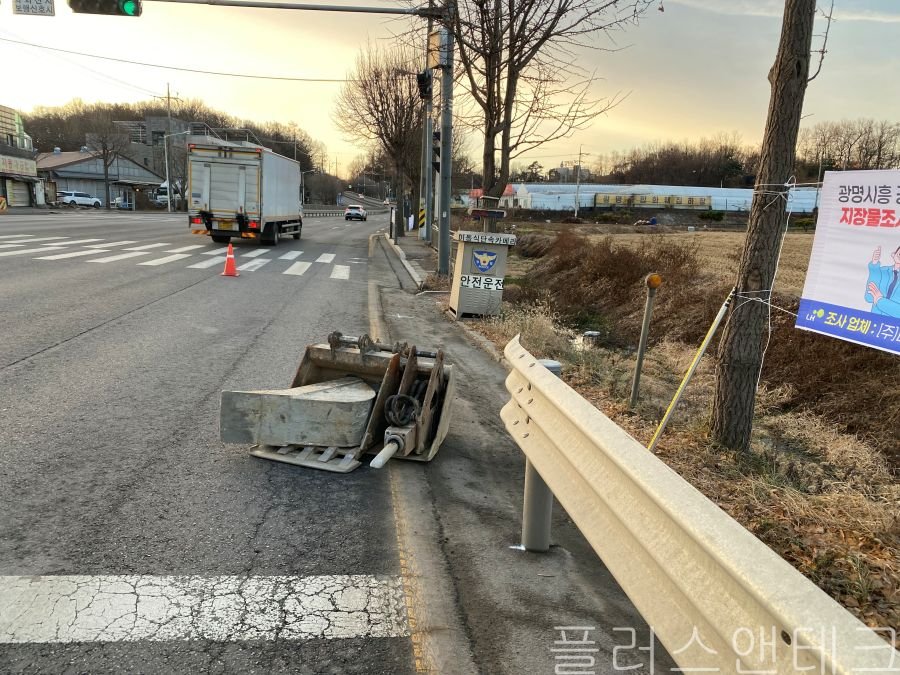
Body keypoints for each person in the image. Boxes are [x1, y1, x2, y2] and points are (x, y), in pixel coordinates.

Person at [865, 245, 900, 318]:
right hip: (874, 318)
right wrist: (874, 265)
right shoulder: (882, 271)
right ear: (894, 254)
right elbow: (869, 297)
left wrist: (880, 301)